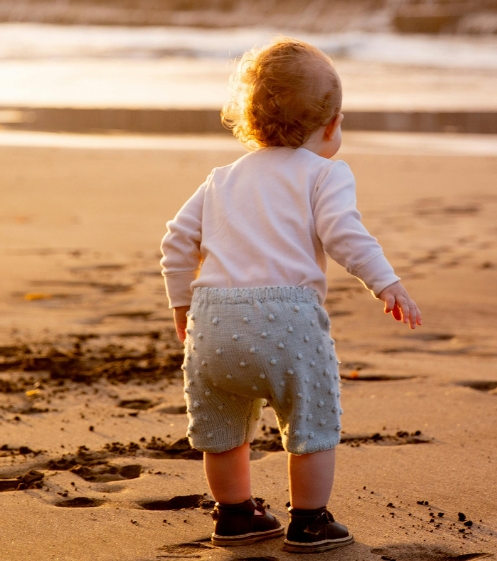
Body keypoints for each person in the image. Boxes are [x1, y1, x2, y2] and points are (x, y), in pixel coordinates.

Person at [160, 38, 422, 552]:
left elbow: (176, 240)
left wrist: (182, 305)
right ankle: (309, 521)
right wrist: (386, 282)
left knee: (223, 426)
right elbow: (345, 235)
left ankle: (235, 516)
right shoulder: (325, 173)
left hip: (213, 323)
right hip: (288, 323)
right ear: (331, 125)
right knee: (311, 420)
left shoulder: (219, 180)